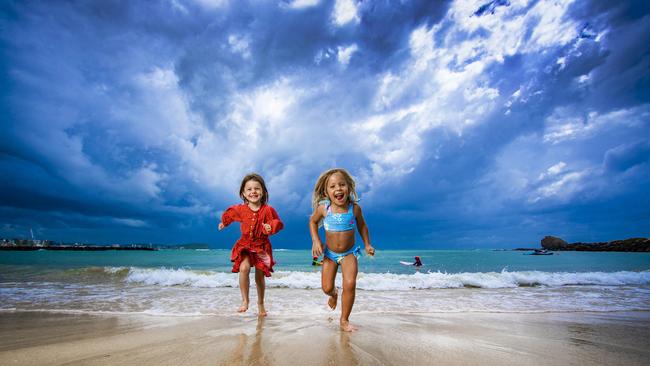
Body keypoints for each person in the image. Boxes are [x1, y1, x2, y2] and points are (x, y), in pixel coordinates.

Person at [309, 168, 375, 332]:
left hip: (349, 253)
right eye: (332, 186)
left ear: (348, 187)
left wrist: (367, 244)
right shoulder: (324, 209)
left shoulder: (355, 209)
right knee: (326, 287)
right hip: (330, 255)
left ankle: (344, 320)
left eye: (342, 185)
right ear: (326, 191)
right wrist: (316, 241)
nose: (338, 189)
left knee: (350, 284)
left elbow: (362, 226)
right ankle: (334, 294)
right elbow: (312, 222)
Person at [218, 173, 283, 316]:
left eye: (257, 188)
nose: (253, 192)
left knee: (260, 275)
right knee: (244, 268)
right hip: (245, 245)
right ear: (243, 193)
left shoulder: (268, 210)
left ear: (263, 192)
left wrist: (270, 227)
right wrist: (225, 222)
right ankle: (245, 301)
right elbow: (231, 213)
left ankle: (260, 304)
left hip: (262, 246)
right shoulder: (241, 209)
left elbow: (277, 222)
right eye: (249, 189)